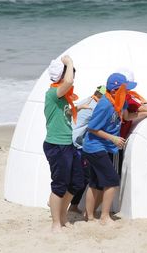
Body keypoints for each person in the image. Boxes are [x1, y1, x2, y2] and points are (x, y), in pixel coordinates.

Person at [82, 72, 143, 225]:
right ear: (115, 90)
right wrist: (114, 138)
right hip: (95, 147)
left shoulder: (120, 101)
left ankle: (88, 217)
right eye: (125, 89)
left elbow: (127, 116)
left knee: (96, 183)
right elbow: (92, 128)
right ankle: (104, 217)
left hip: (105, 147)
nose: (128, 92)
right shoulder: (105, 105)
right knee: (112, 180)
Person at [42, 55, 84, 232]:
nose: (72, 78)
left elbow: (63, 115)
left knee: (76, 182)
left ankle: (63, 215)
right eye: (68, 74)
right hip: (56, 145)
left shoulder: (63, 97)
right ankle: (55, 223)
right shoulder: (53, 92)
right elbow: (68, 81)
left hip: (68, 144)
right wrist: (69, 62)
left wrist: (80, 107)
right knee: (59, 184)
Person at [68, 85, 106, 213]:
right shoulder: (94, 107)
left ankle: (73, 205)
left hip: (73, 142)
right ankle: (60, 199)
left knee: (82, 177)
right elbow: (98, 127)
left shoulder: (87, 100)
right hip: (75, 145)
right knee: (83, 177)